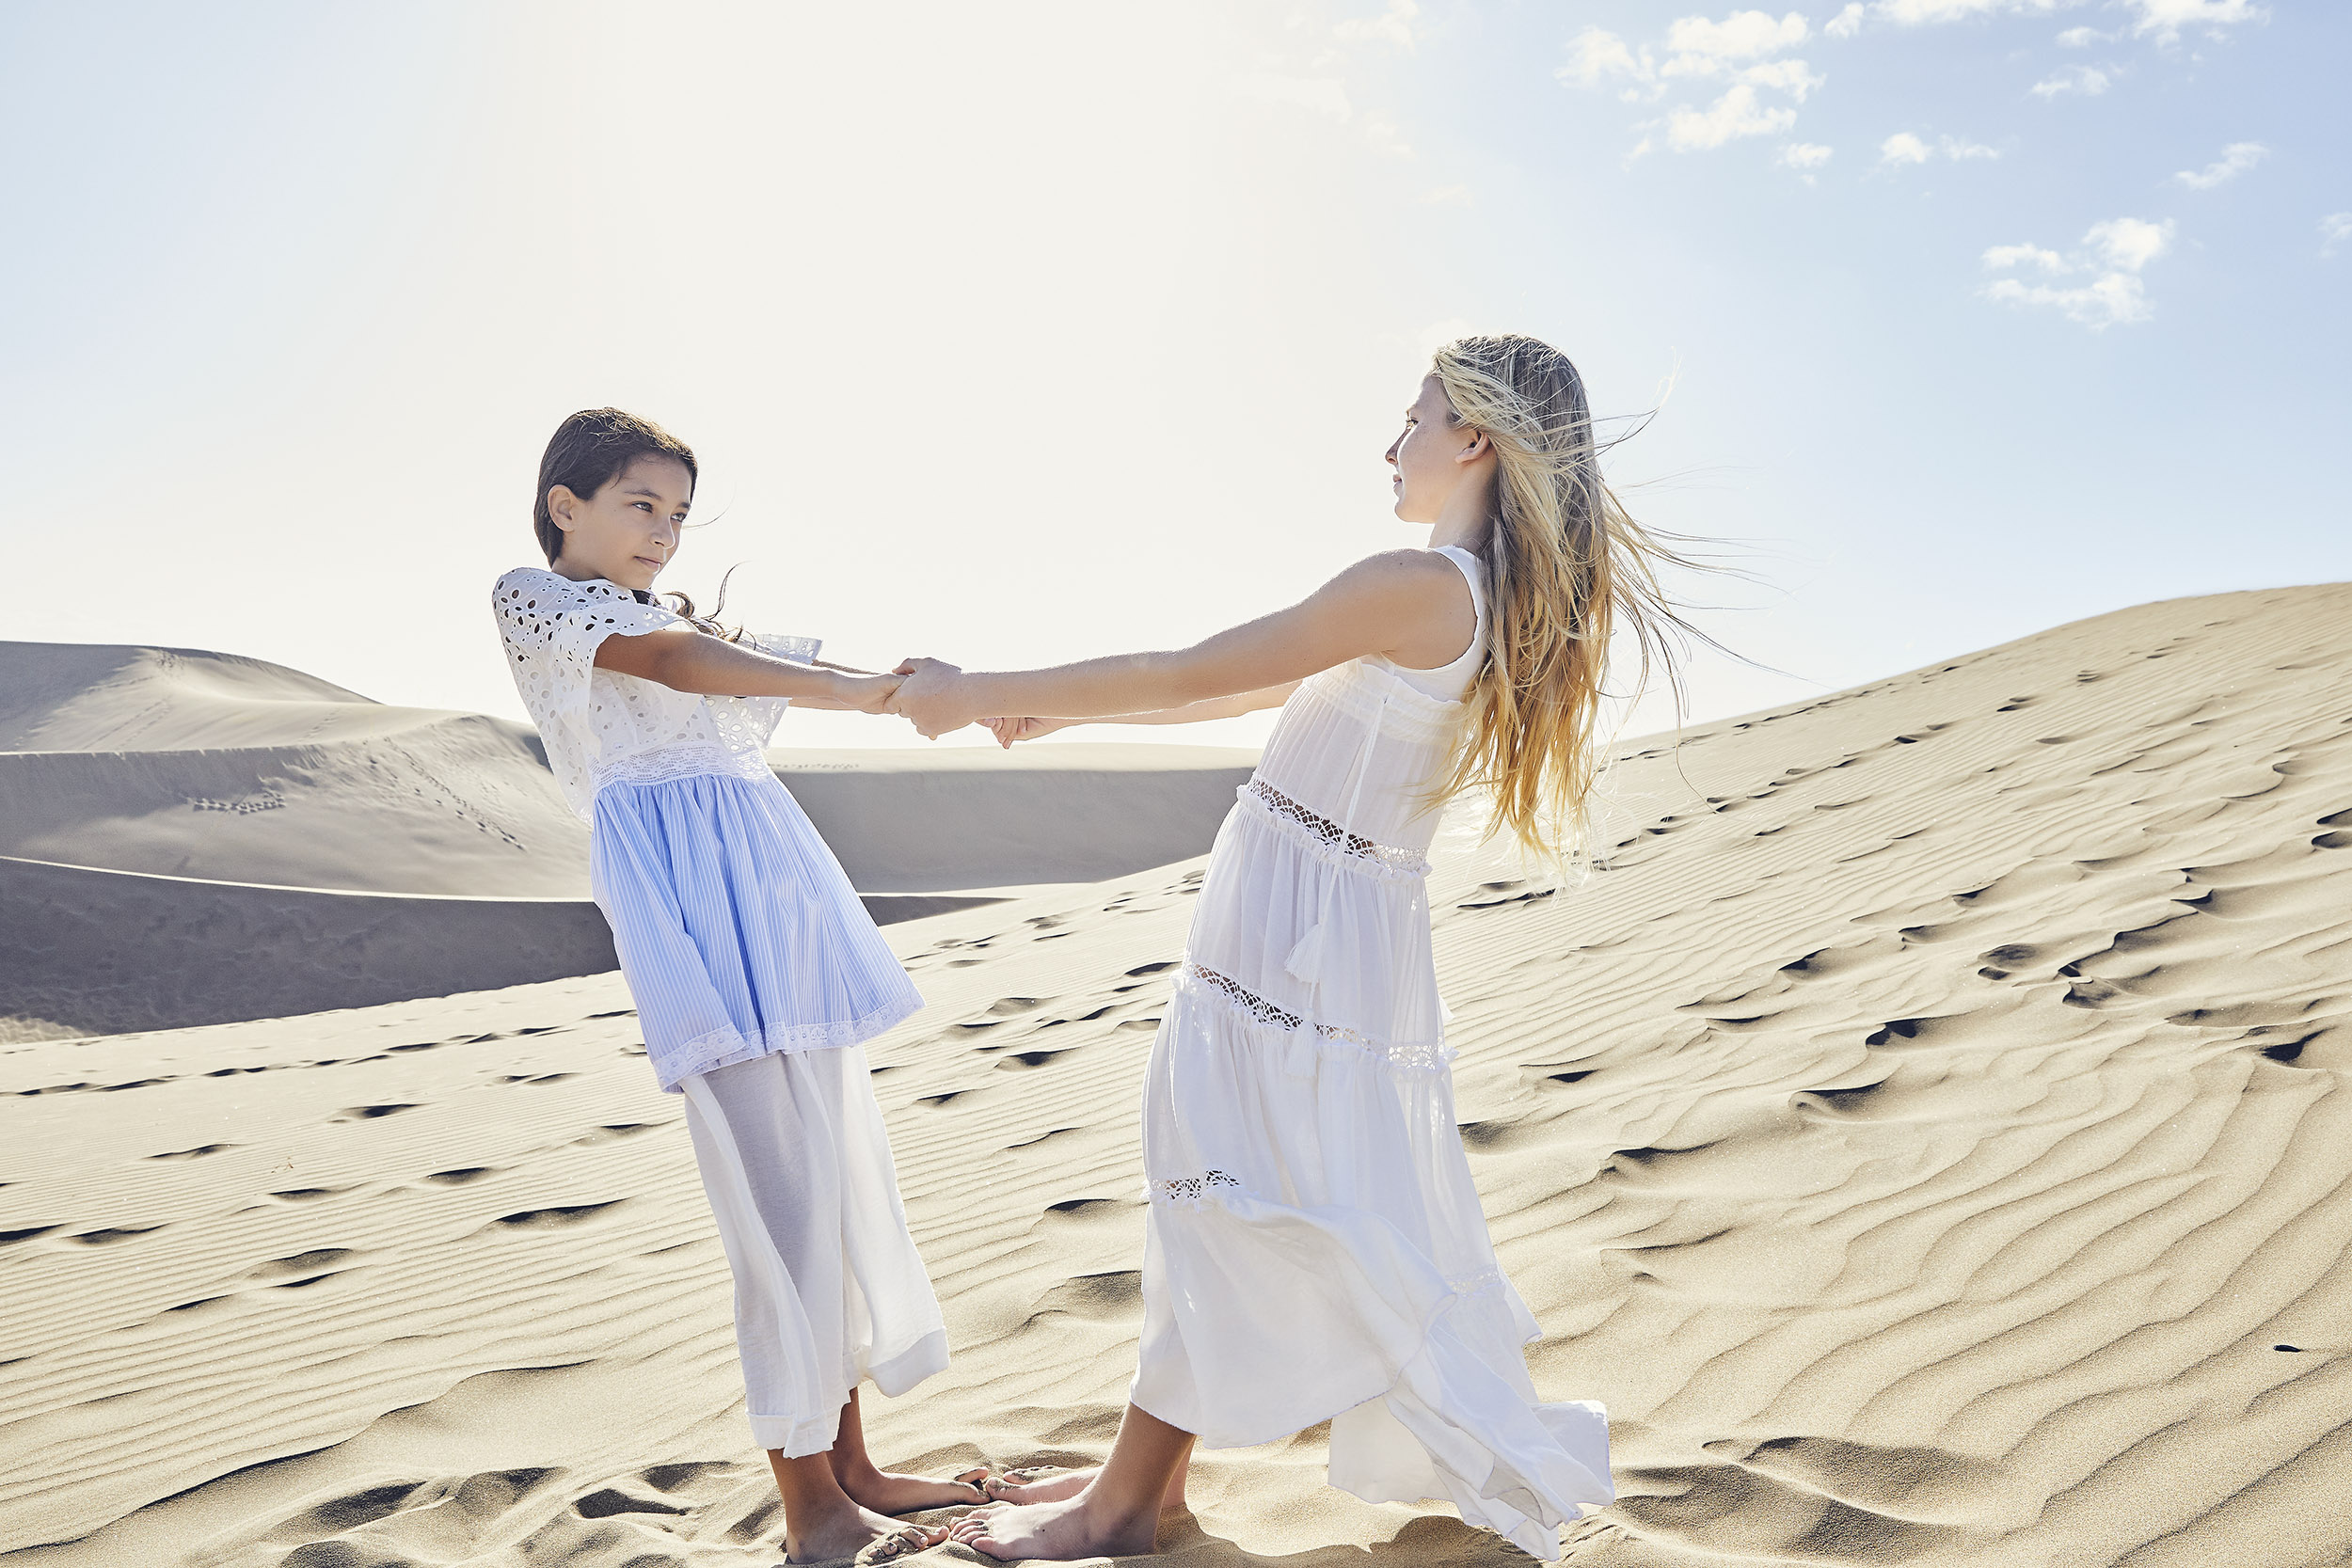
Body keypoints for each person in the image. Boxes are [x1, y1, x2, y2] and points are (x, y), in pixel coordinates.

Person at [889, 334, 1696, 1562]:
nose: (1393, 443)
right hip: (1322, 930)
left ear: (1474, 437)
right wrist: (1042, 706)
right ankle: (1140, 1486)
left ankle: (1125, 1505)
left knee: (1212, 1179)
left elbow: (1184, 670)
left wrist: (969, 685)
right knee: (1214, 1177)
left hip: (1292, 936)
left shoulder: (1419, 581)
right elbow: (1243, 686)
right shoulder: (1462, 595)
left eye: (1414, 416)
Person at [491, 409, 979, 1565]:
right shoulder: (536, 596)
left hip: (774, 884)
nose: (663, 532)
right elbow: (673, 667)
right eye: (640, 504)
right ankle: (812, 1508)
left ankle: (854, 1467)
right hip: (687, 906)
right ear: (566, 504)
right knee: (776, 1203)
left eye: (677, 513)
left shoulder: (675, 610)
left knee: (834, 1175)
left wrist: (916, 685)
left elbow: (757, 663)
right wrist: (868, 697)